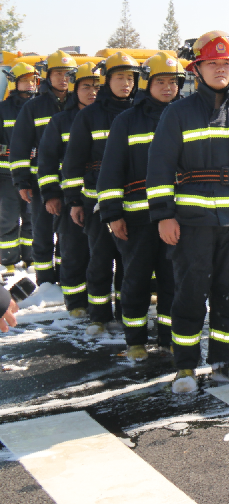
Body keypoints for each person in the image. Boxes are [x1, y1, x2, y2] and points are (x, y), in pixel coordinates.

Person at [146, 31, 229, 392]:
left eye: (226, 64)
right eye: (212, 63)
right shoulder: (177, 113)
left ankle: (225, 364)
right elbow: (159, 167)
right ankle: (185, 367)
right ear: (197, 69)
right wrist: (164, 215)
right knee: (189, 294)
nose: (220, 69)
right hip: (192, 223)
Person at [97, 53, 183, 359]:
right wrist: (112, 214)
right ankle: (135, 340)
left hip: (176, 216)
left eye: (173, 82)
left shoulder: (187, 117)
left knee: (172, 280)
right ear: (148, 84)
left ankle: (168, 337)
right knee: (135, 279)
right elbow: (111, 170)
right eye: (161, 82)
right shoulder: (127, 120)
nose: (167, 88)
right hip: (137, 218)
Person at [62, 52, 140, 336]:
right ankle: (98, 315)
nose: (126, 83)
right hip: (96, 201)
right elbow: (73, 161)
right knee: (100, 260)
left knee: (130, 263)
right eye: (120, 77)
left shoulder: (141, 112)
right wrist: (74, 200)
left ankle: (125, 312)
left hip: (133, 201)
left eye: (130, 78)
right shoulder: (89, 116)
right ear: (107, 80)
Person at [11, 50, 78, 290]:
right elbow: (20, 146)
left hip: (72, 182)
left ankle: (64, 275)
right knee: (42, 232)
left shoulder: (80, 104)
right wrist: (22, 181)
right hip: (41, 182)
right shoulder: (34, 107)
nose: (63, 79)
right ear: (48, 76)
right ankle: (46, 282)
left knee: (69, 234)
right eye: (58, 73)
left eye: (68, 74)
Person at [37, 63, 99, 319]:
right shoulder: (61, 121)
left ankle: (100, 300)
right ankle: (75, 302)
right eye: (86, 87)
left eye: (97, 87)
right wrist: (51, 194)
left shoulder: (110, 117)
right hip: (70, 196)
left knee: (101, 254)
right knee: (73, 251)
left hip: (101, 196)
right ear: (75, 89)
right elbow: (47, 160)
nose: (92, 92)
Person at [0, 63, 37, 272]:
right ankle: (8, 261)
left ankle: (31, 258)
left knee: (32, 218)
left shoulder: (41, 107)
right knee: (8, 219)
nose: (30, 84)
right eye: (25, 80)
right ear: (14, 82)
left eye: (33, 80)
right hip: (8, 175)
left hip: (34, 173)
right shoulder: (3, 109)